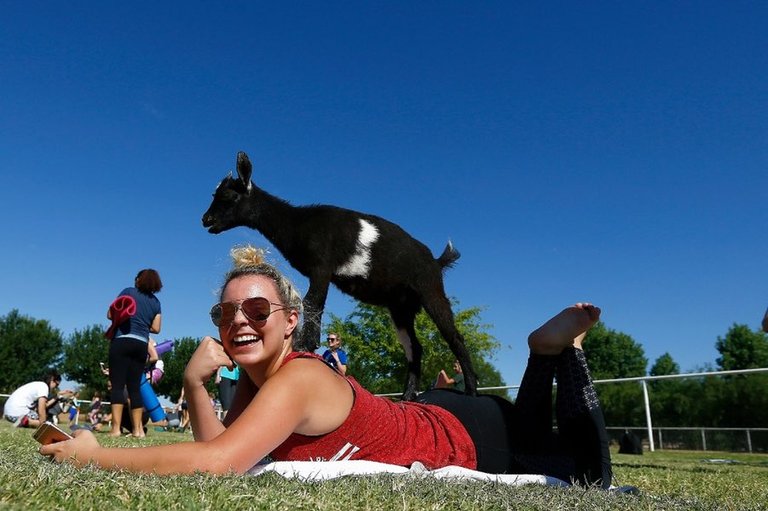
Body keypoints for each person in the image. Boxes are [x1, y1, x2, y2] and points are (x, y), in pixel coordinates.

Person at [42, 245, 612, 488]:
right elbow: (227, 451)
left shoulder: (301, 377)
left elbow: (215, 463)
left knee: (588, 472)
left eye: (258, 309)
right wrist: (193, 381)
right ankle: (544, 352)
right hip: (434, 411)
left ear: (291, 321)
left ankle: (560, 353)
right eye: (226, 312)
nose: (240, 321)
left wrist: (94, 457)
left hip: (465, 434)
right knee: (540, 432)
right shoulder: (261, 380)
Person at [106, 268, 163, 438]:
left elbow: (110, 314)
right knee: (134, 388)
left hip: (122, 340)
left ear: (139, 279)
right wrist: (143, 323)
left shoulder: (128, 292)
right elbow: (157, 328)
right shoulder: (156, 302)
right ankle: (138, 431)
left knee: (117, 385)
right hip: (141, 344)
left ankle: (116, 430)